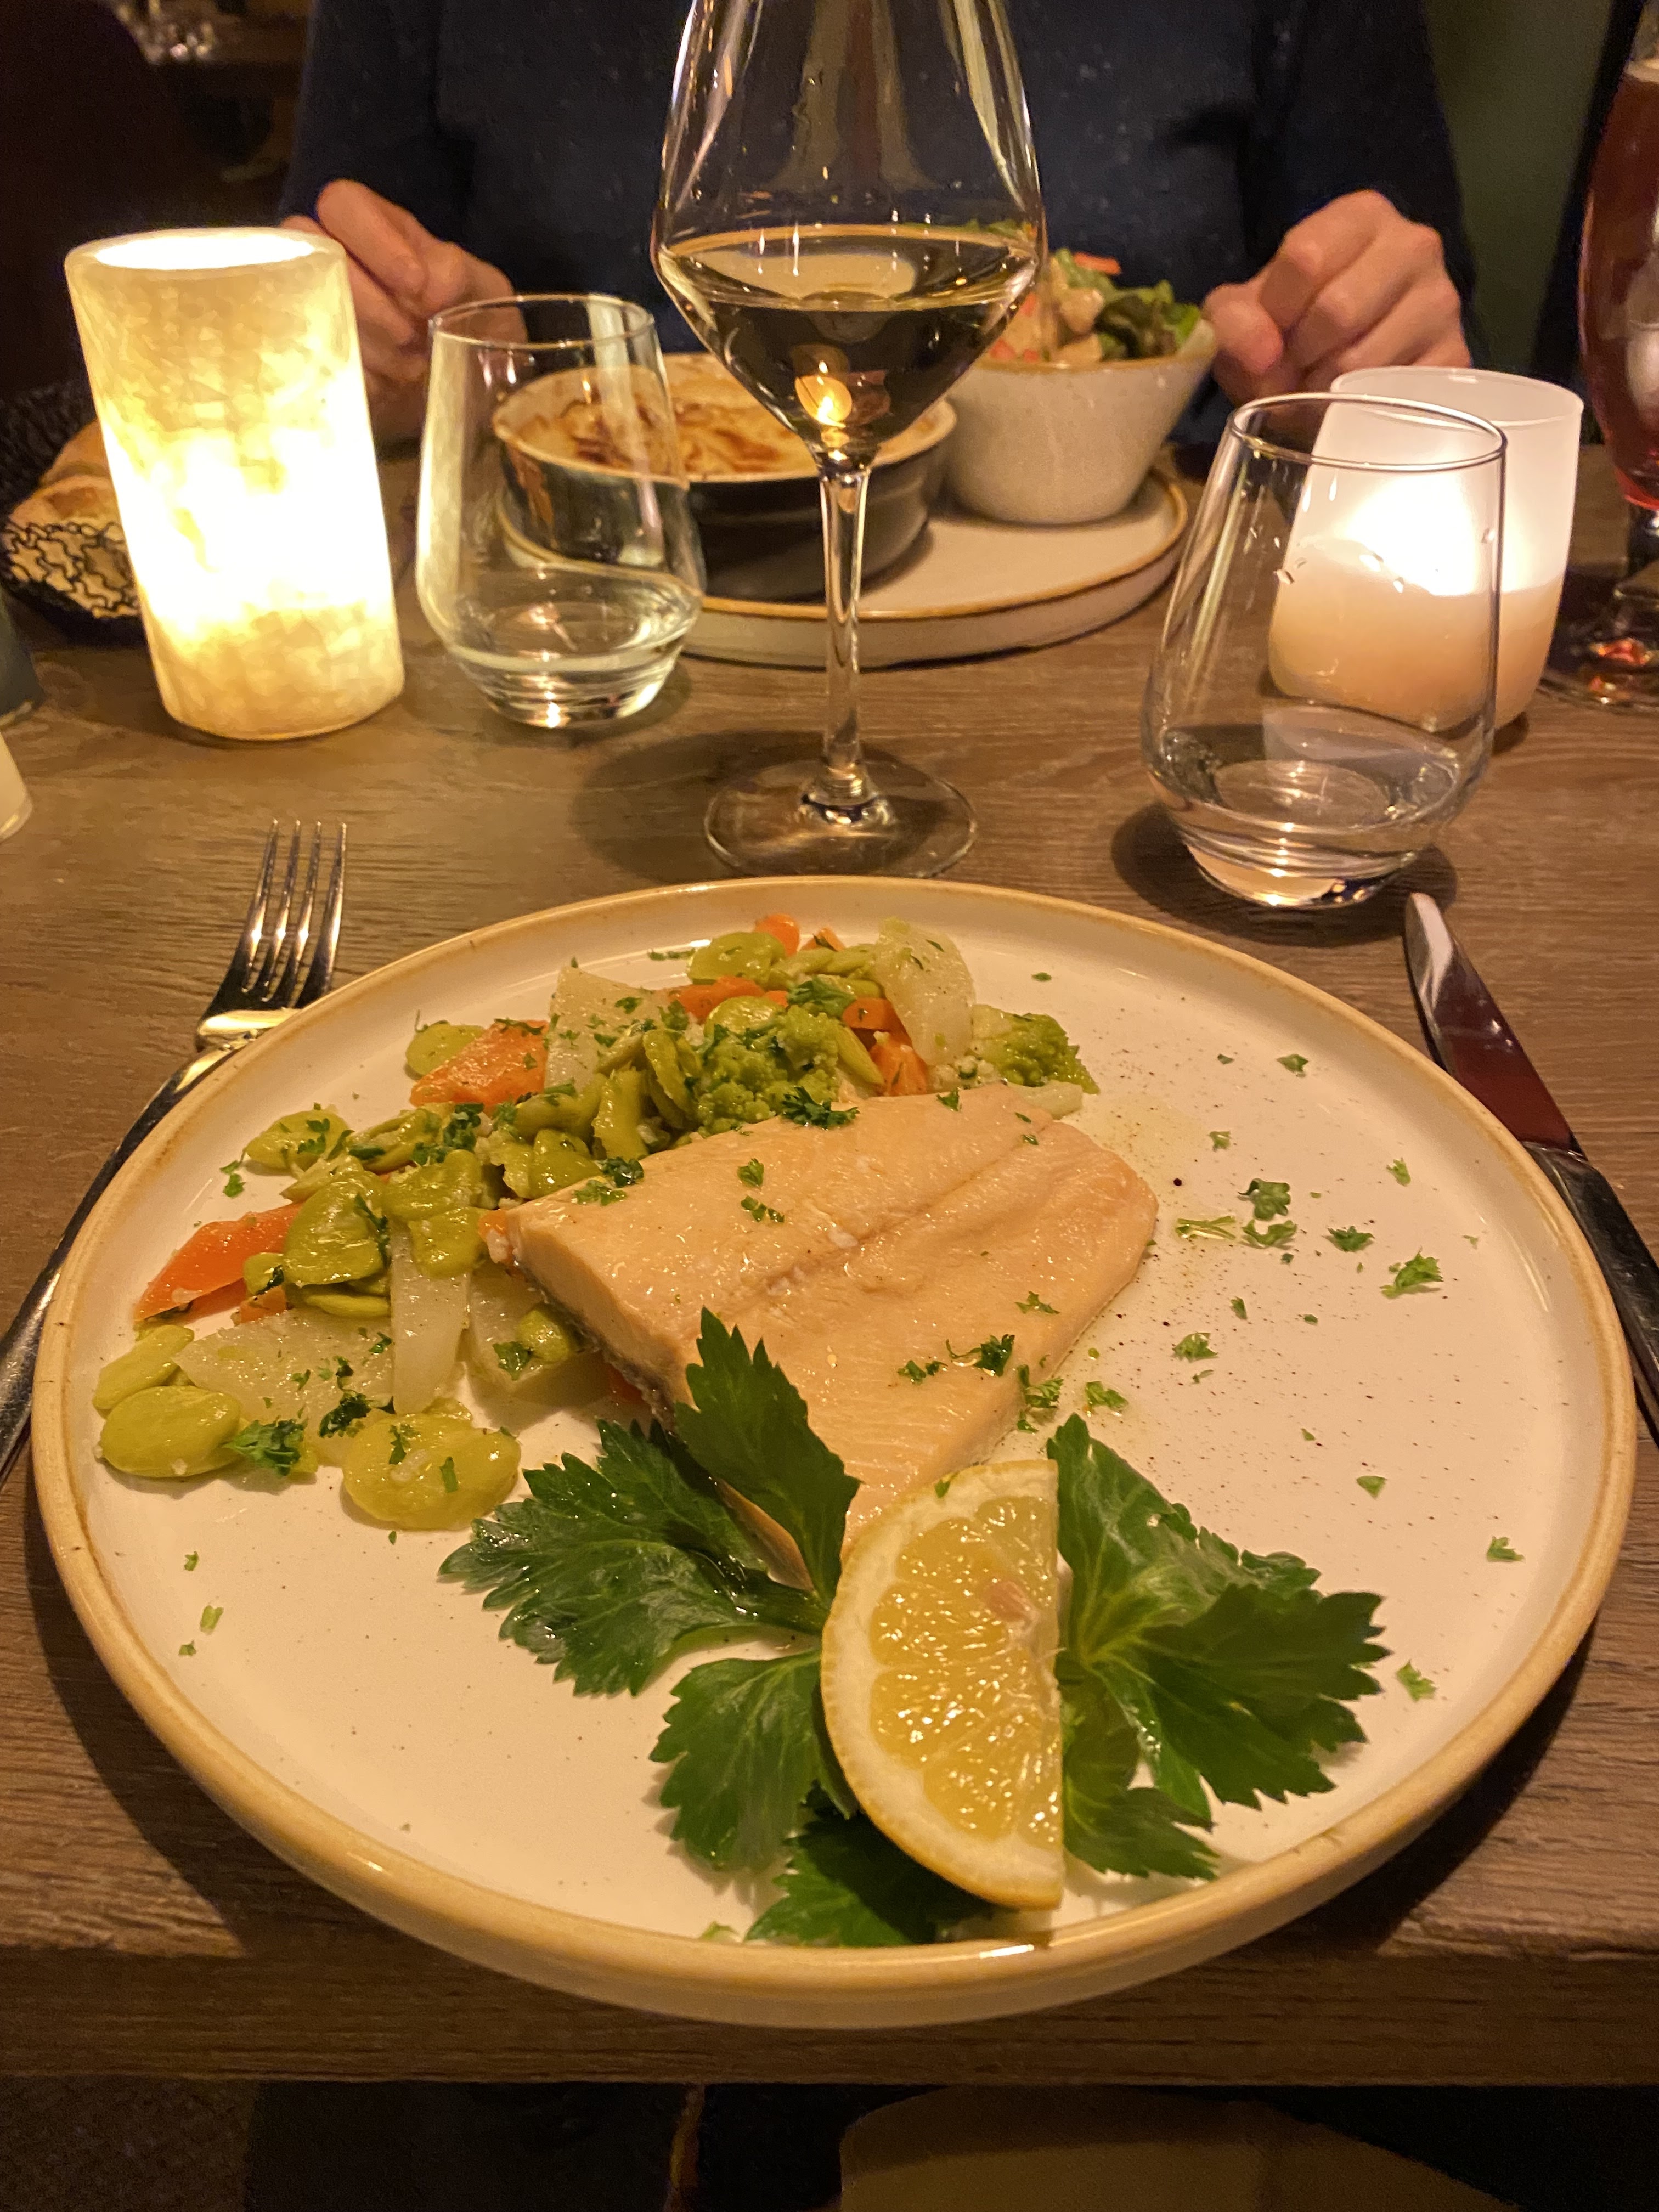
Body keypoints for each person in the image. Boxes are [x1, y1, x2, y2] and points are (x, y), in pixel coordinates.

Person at [279, 0, 1472, 441]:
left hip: (1148, 646)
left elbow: (1416, 345)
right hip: (589, 626)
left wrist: (1359, 358)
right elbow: (329, 298)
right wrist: (397, 351)